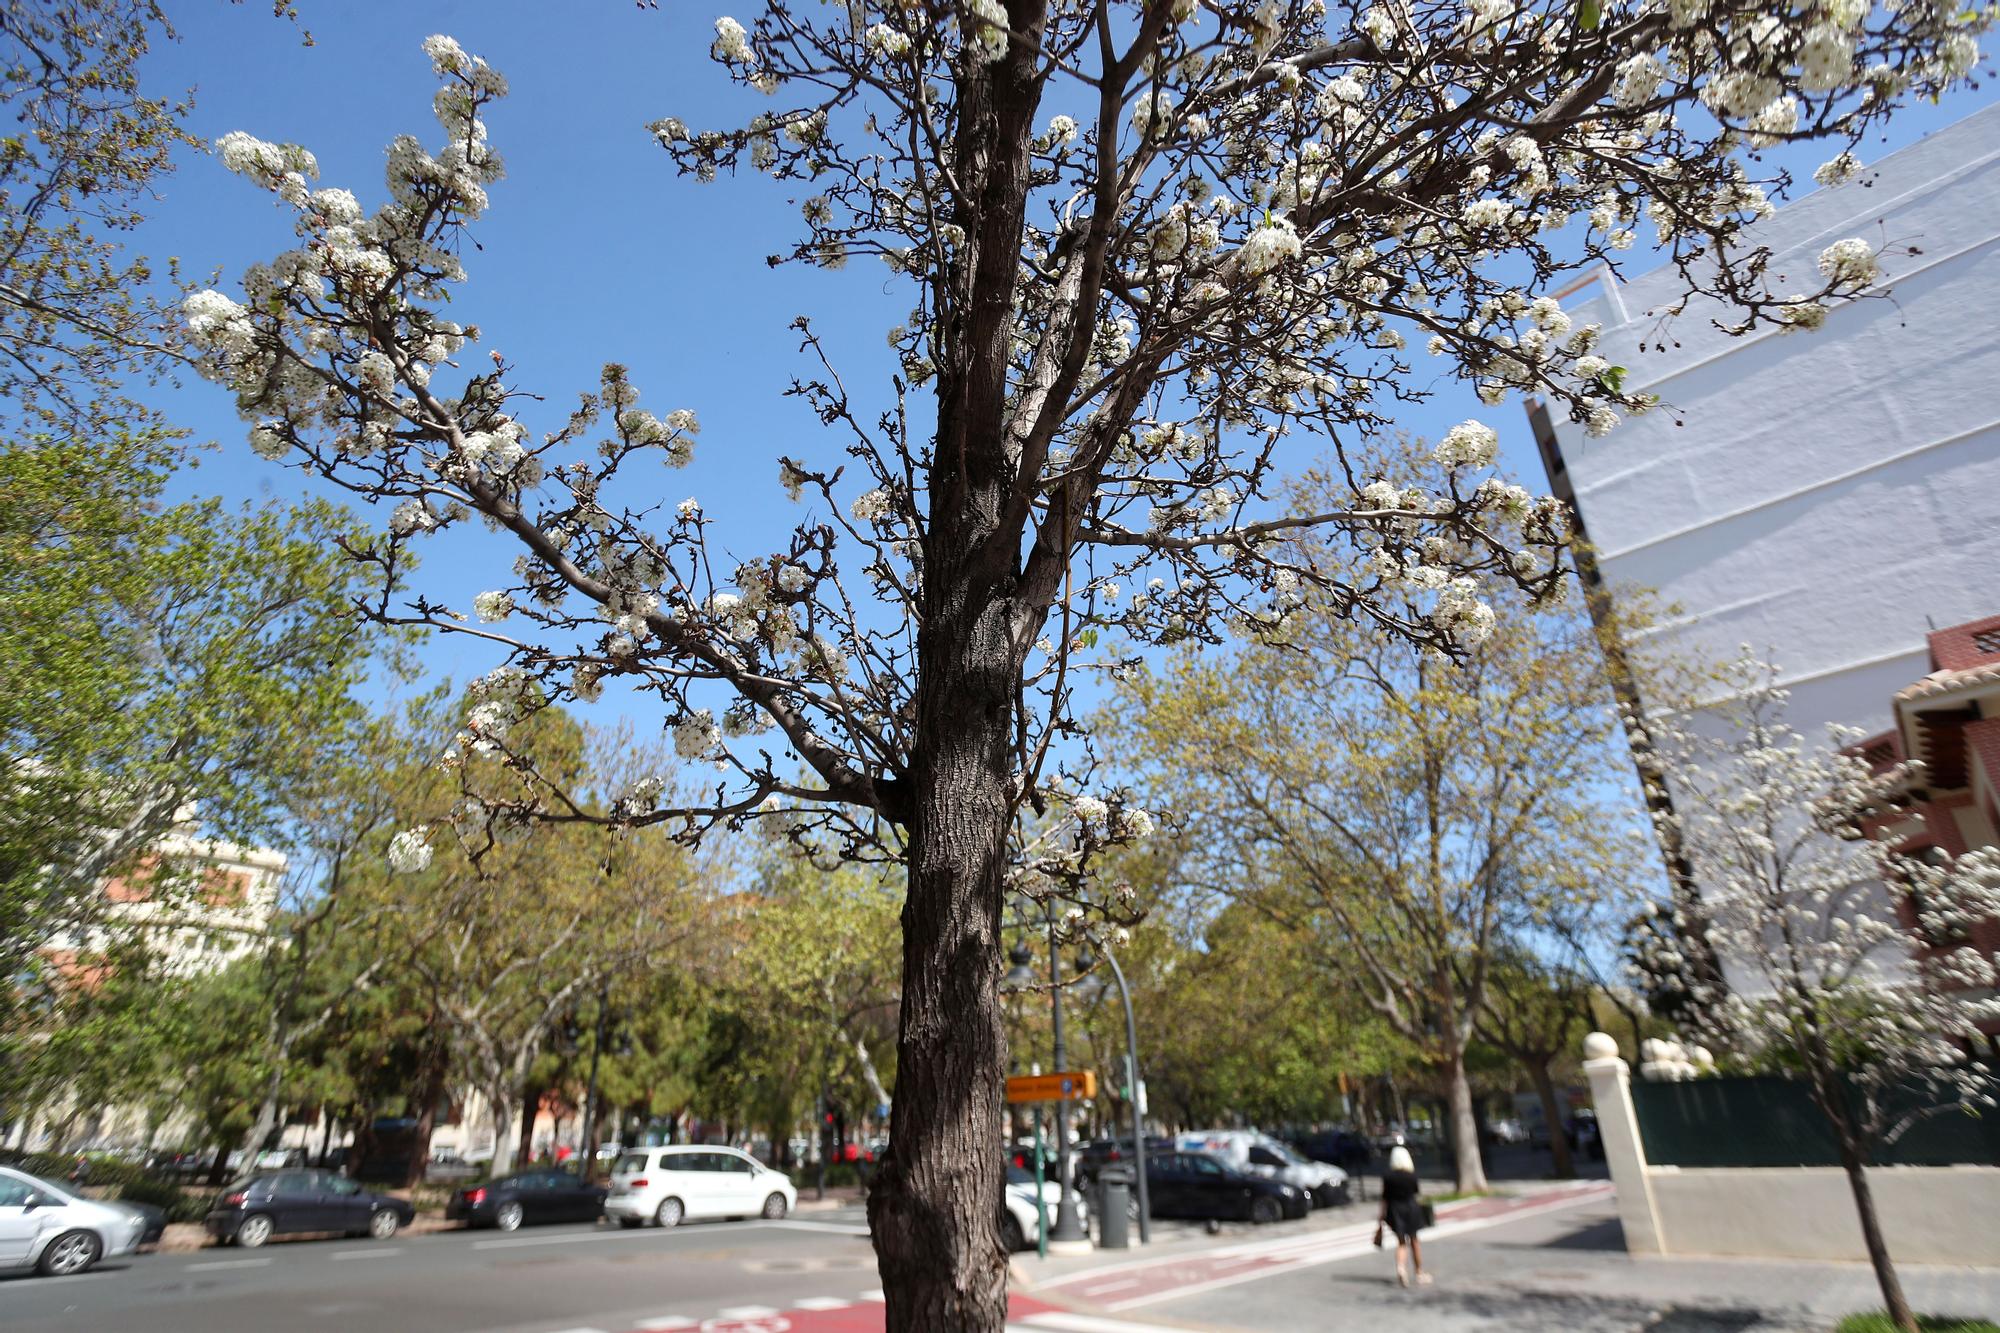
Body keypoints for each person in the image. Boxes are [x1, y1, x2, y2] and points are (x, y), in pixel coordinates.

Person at [1375, 1145, 1431, 1287]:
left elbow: (1385, 1198)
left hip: (1395, 1211)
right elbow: (1416, 1193)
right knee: (1414, 1241)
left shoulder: (1388, 1177)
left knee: (1401, 1242)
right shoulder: (1411, 1175)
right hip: (1411, 1209)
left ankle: (1401, 1268)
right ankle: (1419, 1272)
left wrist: (1381, 1216)